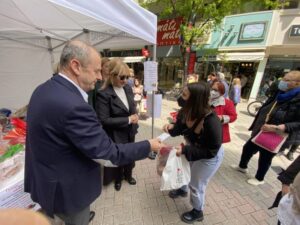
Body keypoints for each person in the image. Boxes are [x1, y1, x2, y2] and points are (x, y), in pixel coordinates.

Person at [24, 40, 161, 225]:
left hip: (46, 182)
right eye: (97, 71)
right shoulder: (74, 106)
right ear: (76, 66)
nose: (99, 77)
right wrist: (148, 146)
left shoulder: (42, 89)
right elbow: (109, 154)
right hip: (67, 193)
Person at [162, 82, 224, 223]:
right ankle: (183, 190)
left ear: (195, 99)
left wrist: (185, 149)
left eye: (184, 95)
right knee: (185, 169)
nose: (180, 98)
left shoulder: (211, 122)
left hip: (209, 156)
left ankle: (198, 211)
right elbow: (178, 129)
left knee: (196, 184)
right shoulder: (185, 111)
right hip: (192, 148)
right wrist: (169, 128)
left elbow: (211, 151)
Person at [232, 70, 300, 186]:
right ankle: (242, 166)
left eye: (287, 80)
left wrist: (278, 127)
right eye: (283, 78)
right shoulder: (280, 92)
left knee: (265, 157)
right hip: (261, 129)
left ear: (297, 84)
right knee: (247, 148)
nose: (282, 82)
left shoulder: (297, 99)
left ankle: (259, 178)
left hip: (276, 134)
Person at [96, 59, 139, 191]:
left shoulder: (127, 88)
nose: (125, 80)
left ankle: (128, 175)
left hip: (130, 130)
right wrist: (128, 119)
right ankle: (118, 179)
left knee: (131, 154)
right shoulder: (103, 93)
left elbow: (131, 106)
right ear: (112, 75)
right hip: (116, 133)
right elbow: (103, 120)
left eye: (128, 77)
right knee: (119, 157)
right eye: (122, 77)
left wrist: (135, 114)